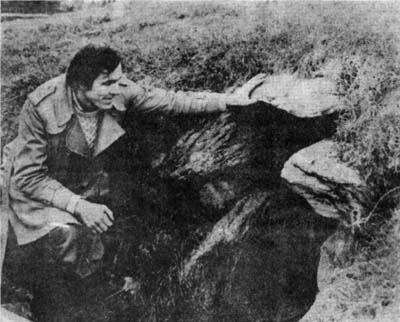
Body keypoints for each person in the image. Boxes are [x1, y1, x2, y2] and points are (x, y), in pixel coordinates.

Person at [1, 44, 266, 321]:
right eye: (107, 83)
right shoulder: (41, 105)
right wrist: (78, 205)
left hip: (79, 181)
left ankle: (98, 293)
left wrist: (226, 100)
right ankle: (43, 297)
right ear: (79, 85)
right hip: (35, 188)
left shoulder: (118, 91)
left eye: (118, 80)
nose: (117, 88)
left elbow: (170, 100)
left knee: (120, 221)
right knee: (65, 235)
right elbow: (29, 176)